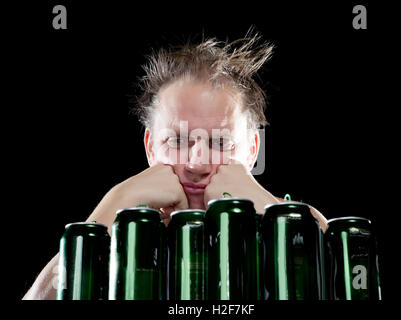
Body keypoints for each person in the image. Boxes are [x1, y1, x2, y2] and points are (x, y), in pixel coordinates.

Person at [23, 30, 328, 300]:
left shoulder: (304, 223)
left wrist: (270, 209)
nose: (197, 164)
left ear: (251, 151)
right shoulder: (121, 238)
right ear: (151, 147)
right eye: (177, 140)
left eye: (221, 143)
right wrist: (107, 212)